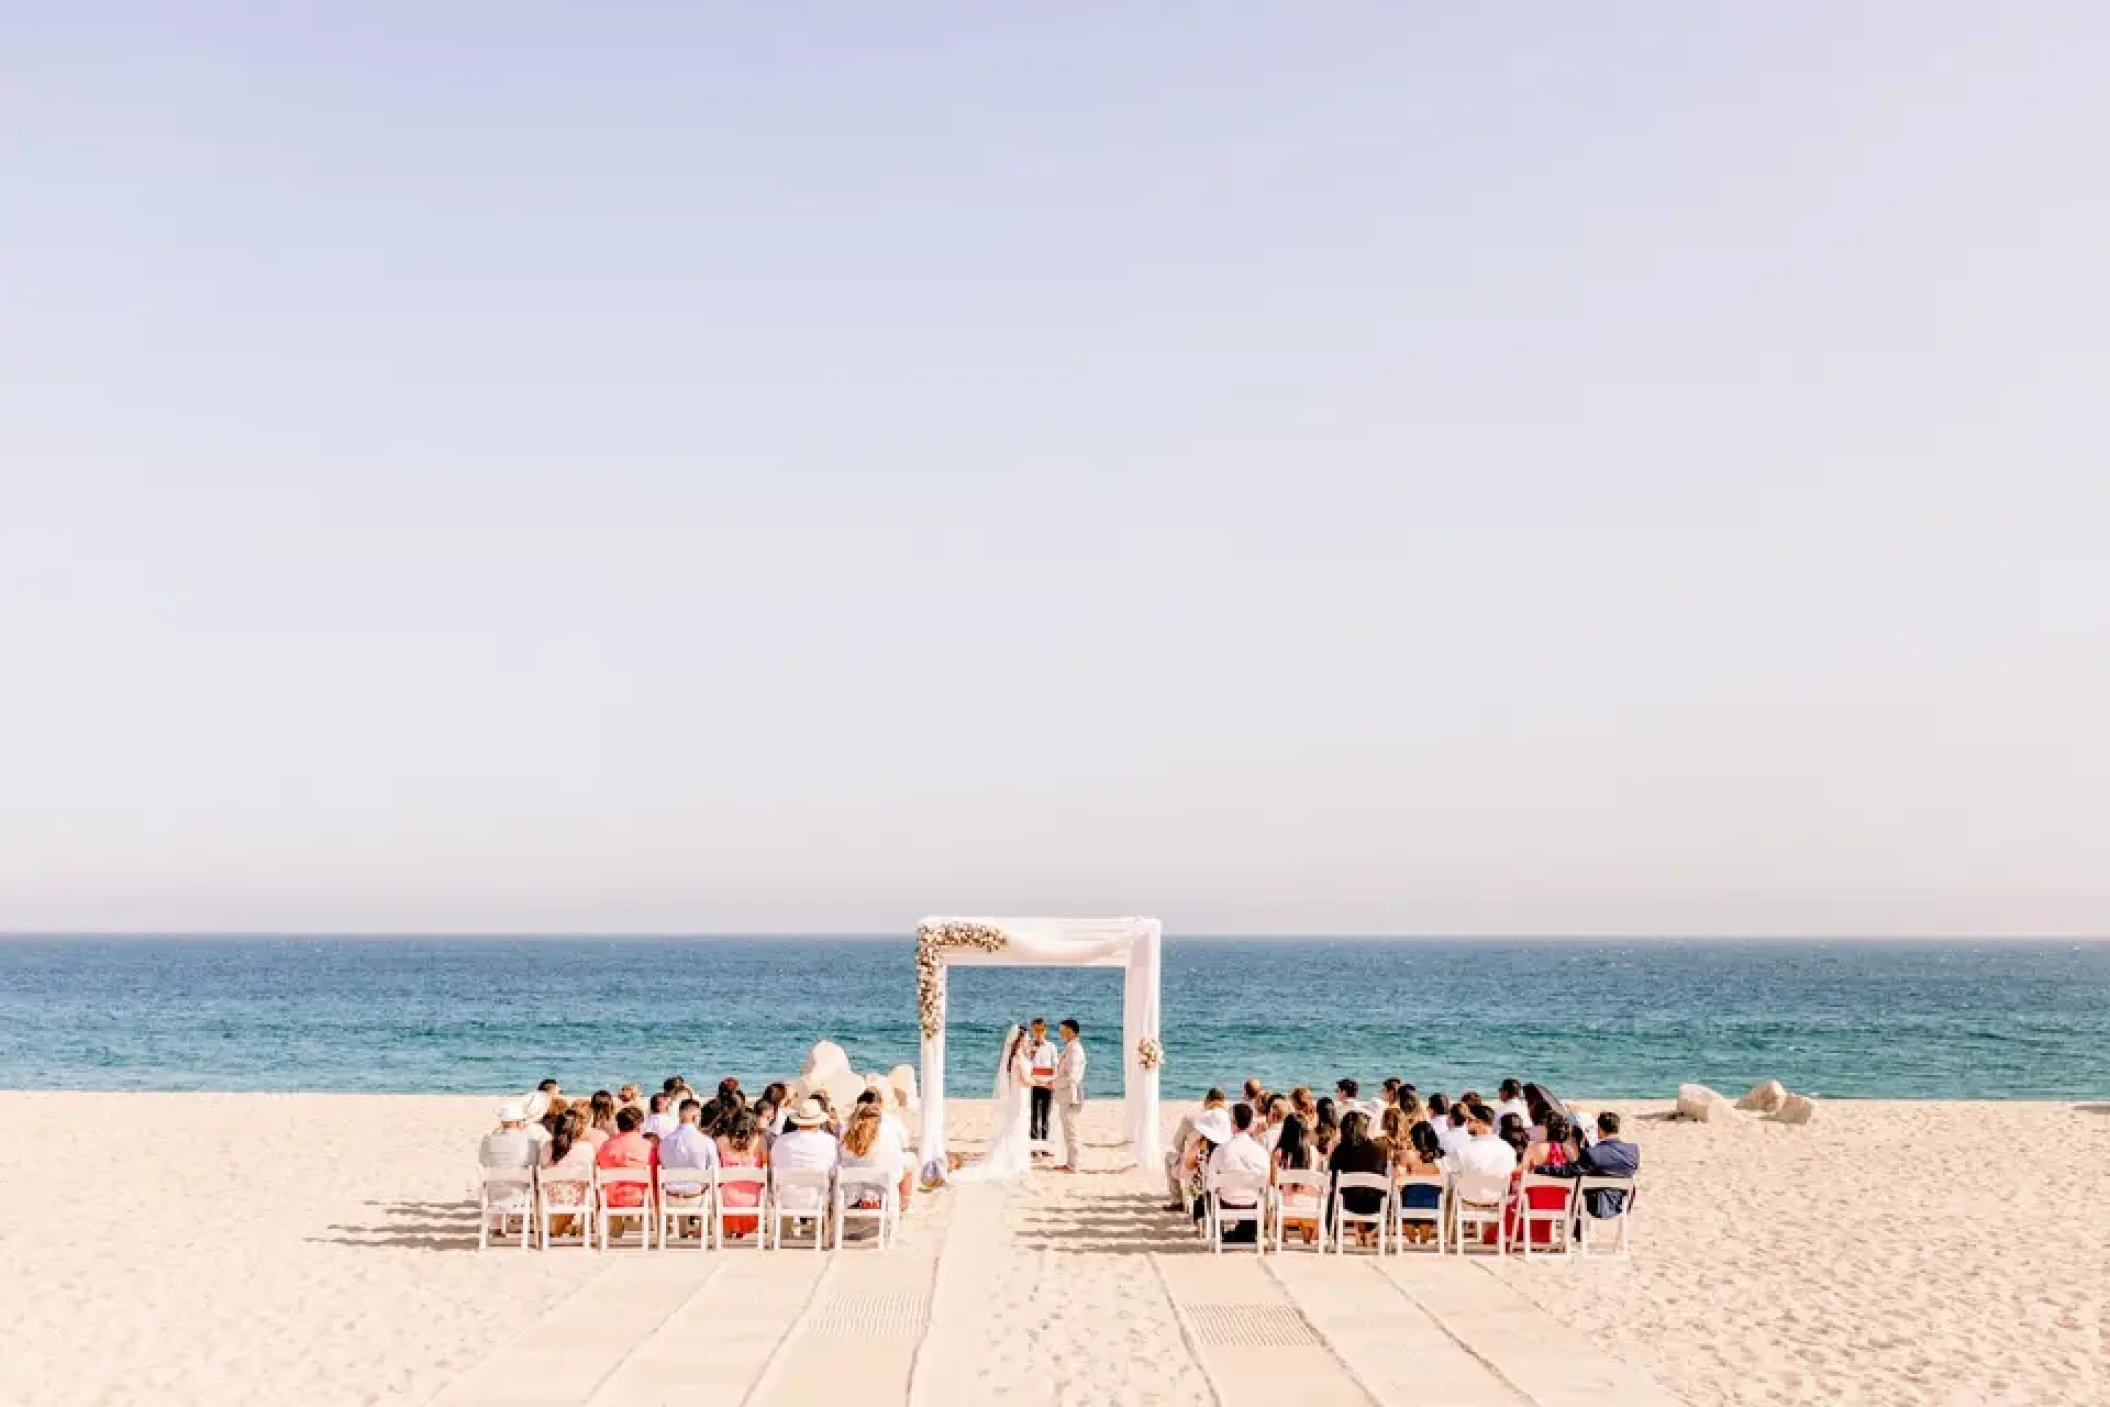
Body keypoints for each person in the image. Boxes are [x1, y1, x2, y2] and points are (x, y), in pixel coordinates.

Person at [952, 1024, 1032, 1182]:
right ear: (1020, 1039)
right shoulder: (1017, 1057)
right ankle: (1014, 1161)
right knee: (1017, 1126)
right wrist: (1044, 1082)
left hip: (1020, 1095)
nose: (1028, 1039)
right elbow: (1025, 1080)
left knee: (1018, 1126)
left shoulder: (1018, 1056)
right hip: (1020, 1095)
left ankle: (1017, 1160)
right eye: (1026, 1036)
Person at [1541, 1111, 1641, 1219]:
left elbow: (1568, 1171)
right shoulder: (1633, 1151)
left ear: (1600, 1130)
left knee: (1574, 1186)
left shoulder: (1593, 1153)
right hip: (1622, 1204)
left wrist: (1541, 1169)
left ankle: (1575, 1228)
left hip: (1597, 1206)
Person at [1445, 1103, 1518, 1245]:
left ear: (1480, 1123)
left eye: (1470, 1120)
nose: (1466, 1124)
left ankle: (1451, 1240)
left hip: (1468, 1199)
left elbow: (1444, 1167)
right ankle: (1488, 1236)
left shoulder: (1465, 1150)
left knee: (1449, 1191)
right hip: (1496, 1199)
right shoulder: (1508, 1149)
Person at [1205, 1103, 1269, 1243]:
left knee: (1209, 1192)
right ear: (1250, 1124)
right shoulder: (1260, 1151)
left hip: (1227, 1201)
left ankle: (1221, 1233)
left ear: (1232, 1122)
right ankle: (1246, 1232)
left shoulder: (1221, 1150)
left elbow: (1211, 1183)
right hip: (1252, 1201)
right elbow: (1265, 1180)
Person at [1327, 1111, 1390, 1247]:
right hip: (1375, 1204)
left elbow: (1332, 1180)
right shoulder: (1380, 1150)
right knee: (1365, 1191)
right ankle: (1365, 1233)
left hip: (1347, 1204)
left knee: (1338, 1192)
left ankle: (1336, 1234)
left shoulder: (1340, 1151)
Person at [772, 1098, 840, 1218]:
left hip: (786, 1199)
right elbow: (834, 1171)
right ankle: (825, 1230)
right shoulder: (830, 1141)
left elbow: (774, 1166)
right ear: (819, 1121)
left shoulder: (781, 1141)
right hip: (818, 1200)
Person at [1165, 1089, 1227, 1209]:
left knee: (1169, 1157)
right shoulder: (1228, 1121)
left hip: (1192, 1167)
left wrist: (1186, 1149)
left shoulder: (1191, 1119)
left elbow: (1177, 1144)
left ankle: (1177, 1201)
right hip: (1221, 1169)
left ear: (1207, 1100)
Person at [538, 1108, 596, 1237]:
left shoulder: (547, 1146)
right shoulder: (586, 1148)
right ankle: (568, 1230)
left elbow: (542, 1167)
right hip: (577, 1198)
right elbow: (591, 1174)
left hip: (550, 1197)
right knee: (586, 1189)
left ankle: (560, 1229)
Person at [714, 1105, 768, 1241]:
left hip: (727, 1199)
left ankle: (726, 1236)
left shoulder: (720, 1141)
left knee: (724, 1189)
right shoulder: (760, 1142)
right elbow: (766, 1168)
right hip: (753, 1199)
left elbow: (716, 1168)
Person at [595, 1107, 655, 1228]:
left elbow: (599, 1168)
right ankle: (655, 1226)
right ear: (639, 1125)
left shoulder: (606, 1145)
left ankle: (617, 1226)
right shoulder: (648, 1146)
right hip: (640, 1198)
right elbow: (654, 1174)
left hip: (611, 1198)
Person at [839, 1103, 901, 1213]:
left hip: (851, 1195)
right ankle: (900, 1207)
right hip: (882, 1193)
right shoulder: (889, 1133)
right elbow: (897, 1170)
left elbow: (841, 1162)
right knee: (907, 1165)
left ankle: (864, 1198)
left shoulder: (848, 1135)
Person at [1271, 1113, 1322, 1245]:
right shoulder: (1314, 1152)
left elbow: (1273, 1182)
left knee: (1279, 1196)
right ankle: (1306, 1238)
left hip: (1285, 1213)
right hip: (1311, 1211)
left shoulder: (1279, 1153)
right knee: (1302, 1194)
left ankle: (1282, 1239)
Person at [1395, 1120, 1446, 1244]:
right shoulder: (1440, 1156)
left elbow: (1398, 1181)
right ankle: (1423, 1240)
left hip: (1409, 1203)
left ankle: (1412, 1239)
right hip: (1432, 1204)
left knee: (1404, 1194)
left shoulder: (1407, 1156)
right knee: (1430, 1193)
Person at [657, 1098, 720, 1195]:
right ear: (695, 1118)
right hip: (698, 1197)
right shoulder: (707, 1142)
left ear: (679, 1116)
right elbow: (715, 1172)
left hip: (670, 1197)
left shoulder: (664, 1143)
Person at [1181, 1107, 1234, 1224]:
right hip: (1233, 1193)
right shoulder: (1232, 1146)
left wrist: (1196, 1144)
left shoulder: (1204, 1150)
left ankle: (1201, 1214)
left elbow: (1188, 1165)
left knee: (1200, 1182)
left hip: (1210, 1193)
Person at [1054, 1018, 1086, 1173]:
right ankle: (1070, 1163)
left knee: (1071, 1131)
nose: (1061, 1034)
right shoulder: (1070, 1047)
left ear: (1071, 1032)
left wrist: (1053, 1084)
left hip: (1071, 1096)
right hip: (1067, 1095)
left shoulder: (1074, 1049)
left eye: (1064, 1031)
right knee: (1068, 1131)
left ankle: (1074, 1165)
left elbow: (1072, 1077)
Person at [1025, 1017, 1058, 1152]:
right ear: (1032, 1030)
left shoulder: (1051, 1047)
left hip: (1047, 1085)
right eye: (1036, 1030)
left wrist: (1052, 1079)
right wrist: (1031, 1052)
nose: (1039, 1032)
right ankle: (1033, 1146)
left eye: (1042, 1030)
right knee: (1032, 1115)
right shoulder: (1028, 1046)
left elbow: (1055, 1065)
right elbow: (1025, 1065)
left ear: (1046, 1030)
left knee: (1045, 1116)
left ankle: (1044, 1146)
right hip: (1032, 1085)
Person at [479, 1101, 539, 1172]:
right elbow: (534, 1168)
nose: (524, 1123)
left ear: (502, 1122)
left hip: (492, 1182)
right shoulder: (531, 1143)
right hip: (521, 1182)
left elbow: (483, 1164)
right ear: (518, 1122)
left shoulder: (486, 1140)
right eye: (523, 1120)